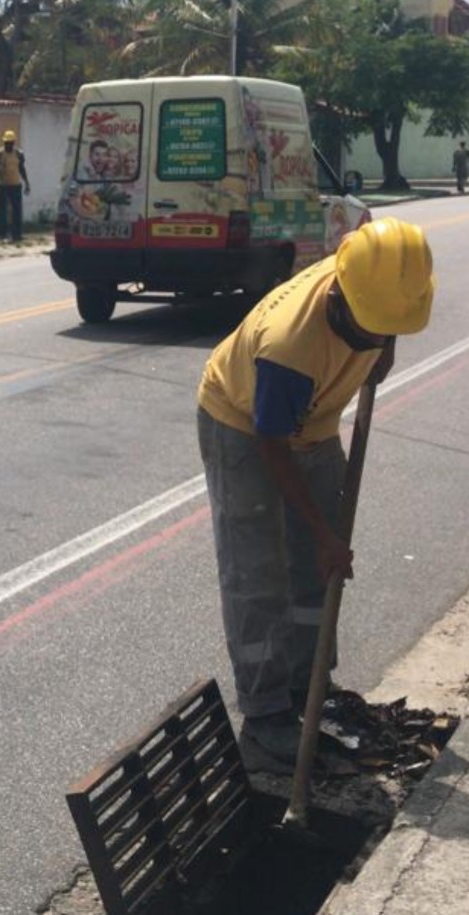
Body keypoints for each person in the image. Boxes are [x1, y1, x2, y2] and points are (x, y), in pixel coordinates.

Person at [196, 218, 435, 772]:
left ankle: (310, 686)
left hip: (315, 419)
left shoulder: (380, 275)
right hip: (244, 424)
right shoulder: (289, 347)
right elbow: (273, 446)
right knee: (260, 574)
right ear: (342, 299)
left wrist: (385, 343)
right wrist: (324, 534)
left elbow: (390, 299)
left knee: (317, 568)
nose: (379, 338)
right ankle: (265, 718)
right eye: (372, 328)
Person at [0, 130, 31, 243]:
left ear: (13, 142)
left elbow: (21, 168)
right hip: (2, 185)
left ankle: (17, 234)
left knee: (17, 210)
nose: (8, 145)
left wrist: (27, 183)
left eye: (10, 142)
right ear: (4, 142)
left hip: (15, 185)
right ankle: (2, 234)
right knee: (2, 210)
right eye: (6, 143)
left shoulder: (18, 153)